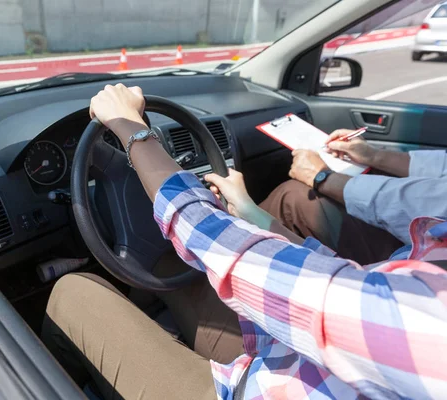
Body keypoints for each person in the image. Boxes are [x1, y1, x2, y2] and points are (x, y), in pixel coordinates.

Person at [43, 84, 447, 400]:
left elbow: (202, 229)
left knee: (72, 292)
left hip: (259, 387)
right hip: (302, 360)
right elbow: (353, 285)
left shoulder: (428, 327)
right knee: (172, 271)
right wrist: (253, 216)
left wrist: (132, 131)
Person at [253, 134, 447, 265]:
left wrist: (322, 177)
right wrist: (375, 156)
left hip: (427, 269)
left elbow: (429, 203)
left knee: (293, 197)